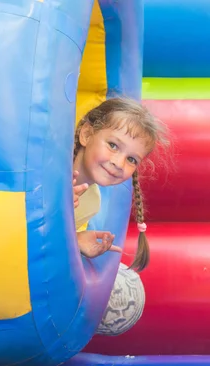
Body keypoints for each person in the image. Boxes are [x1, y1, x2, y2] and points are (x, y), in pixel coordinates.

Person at [71, 97, 170, 335]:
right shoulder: (50, 173)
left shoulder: (91, 201)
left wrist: (77, 242)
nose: (118, 163)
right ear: (86, 134)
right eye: (113, 145)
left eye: (131, 159)